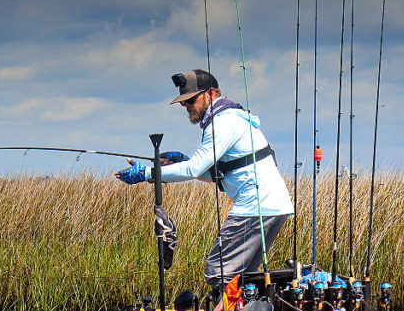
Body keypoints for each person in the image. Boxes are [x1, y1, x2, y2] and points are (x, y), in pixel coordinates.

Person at [115, 69, 294, 295]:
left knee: (218, 270)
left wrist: (148, 173)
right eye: (183, 103)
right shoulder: (231, 119)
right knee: (242, 275)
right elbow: (213, 174)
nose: (187, 106)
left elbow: (194, 169)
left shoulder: (222, 123)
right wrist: (179, 162)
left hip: (256, 205)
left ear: (210, 93)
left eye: (190, 100)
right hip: (273, 206)